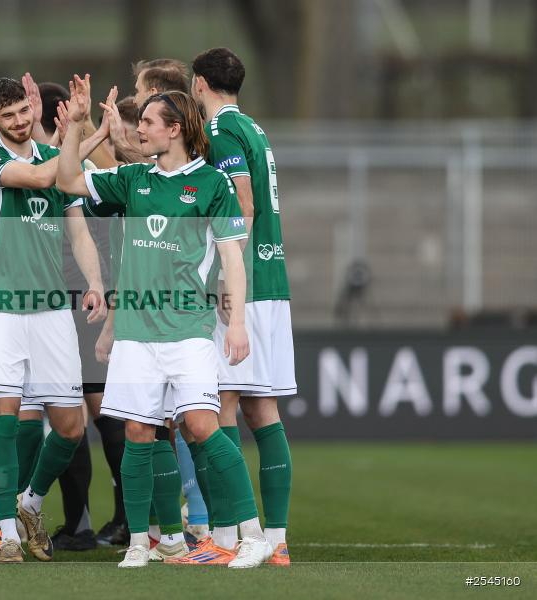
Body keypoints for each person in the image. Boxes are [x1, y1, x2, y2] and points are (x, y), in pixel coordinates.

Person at [58, 81, 272, 569]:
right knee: (137, 431)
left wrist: (236, 322)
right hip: (136, 333)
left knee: (200, 425)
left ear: (174, 129)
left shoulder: (213, 185)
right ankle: (145, 542)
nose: (139, 130)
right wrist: (74, 127)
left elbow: (231, 259)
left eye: (150, 123)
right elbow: (68, 180)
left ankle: (253, 535)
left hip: (188, 331)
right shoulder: (133, 179)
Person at [0, 77, 108, 563]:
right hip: (2, 307)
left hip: (51, 310)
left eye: (25, 111)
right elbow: (43, 177)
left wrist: (94, 283)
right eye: (8, 116)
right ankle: (6, 532)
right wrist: (79, 136)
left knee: (72, 425)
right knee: (5, 417)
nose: (20, 121)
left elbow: (80, 233)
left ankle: (29, 504)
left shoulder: (57, 159)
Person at [191, 47, 296, 567]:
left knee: (220, 404)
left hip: (246, 283)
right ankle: (275, 540)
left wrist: (227, 278)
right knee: (262, 409)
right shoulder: (253, 127)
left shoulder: (221, 131)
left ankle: (227, 537)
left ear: (199, 84)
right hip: (272, 280)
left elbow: (244, 203)